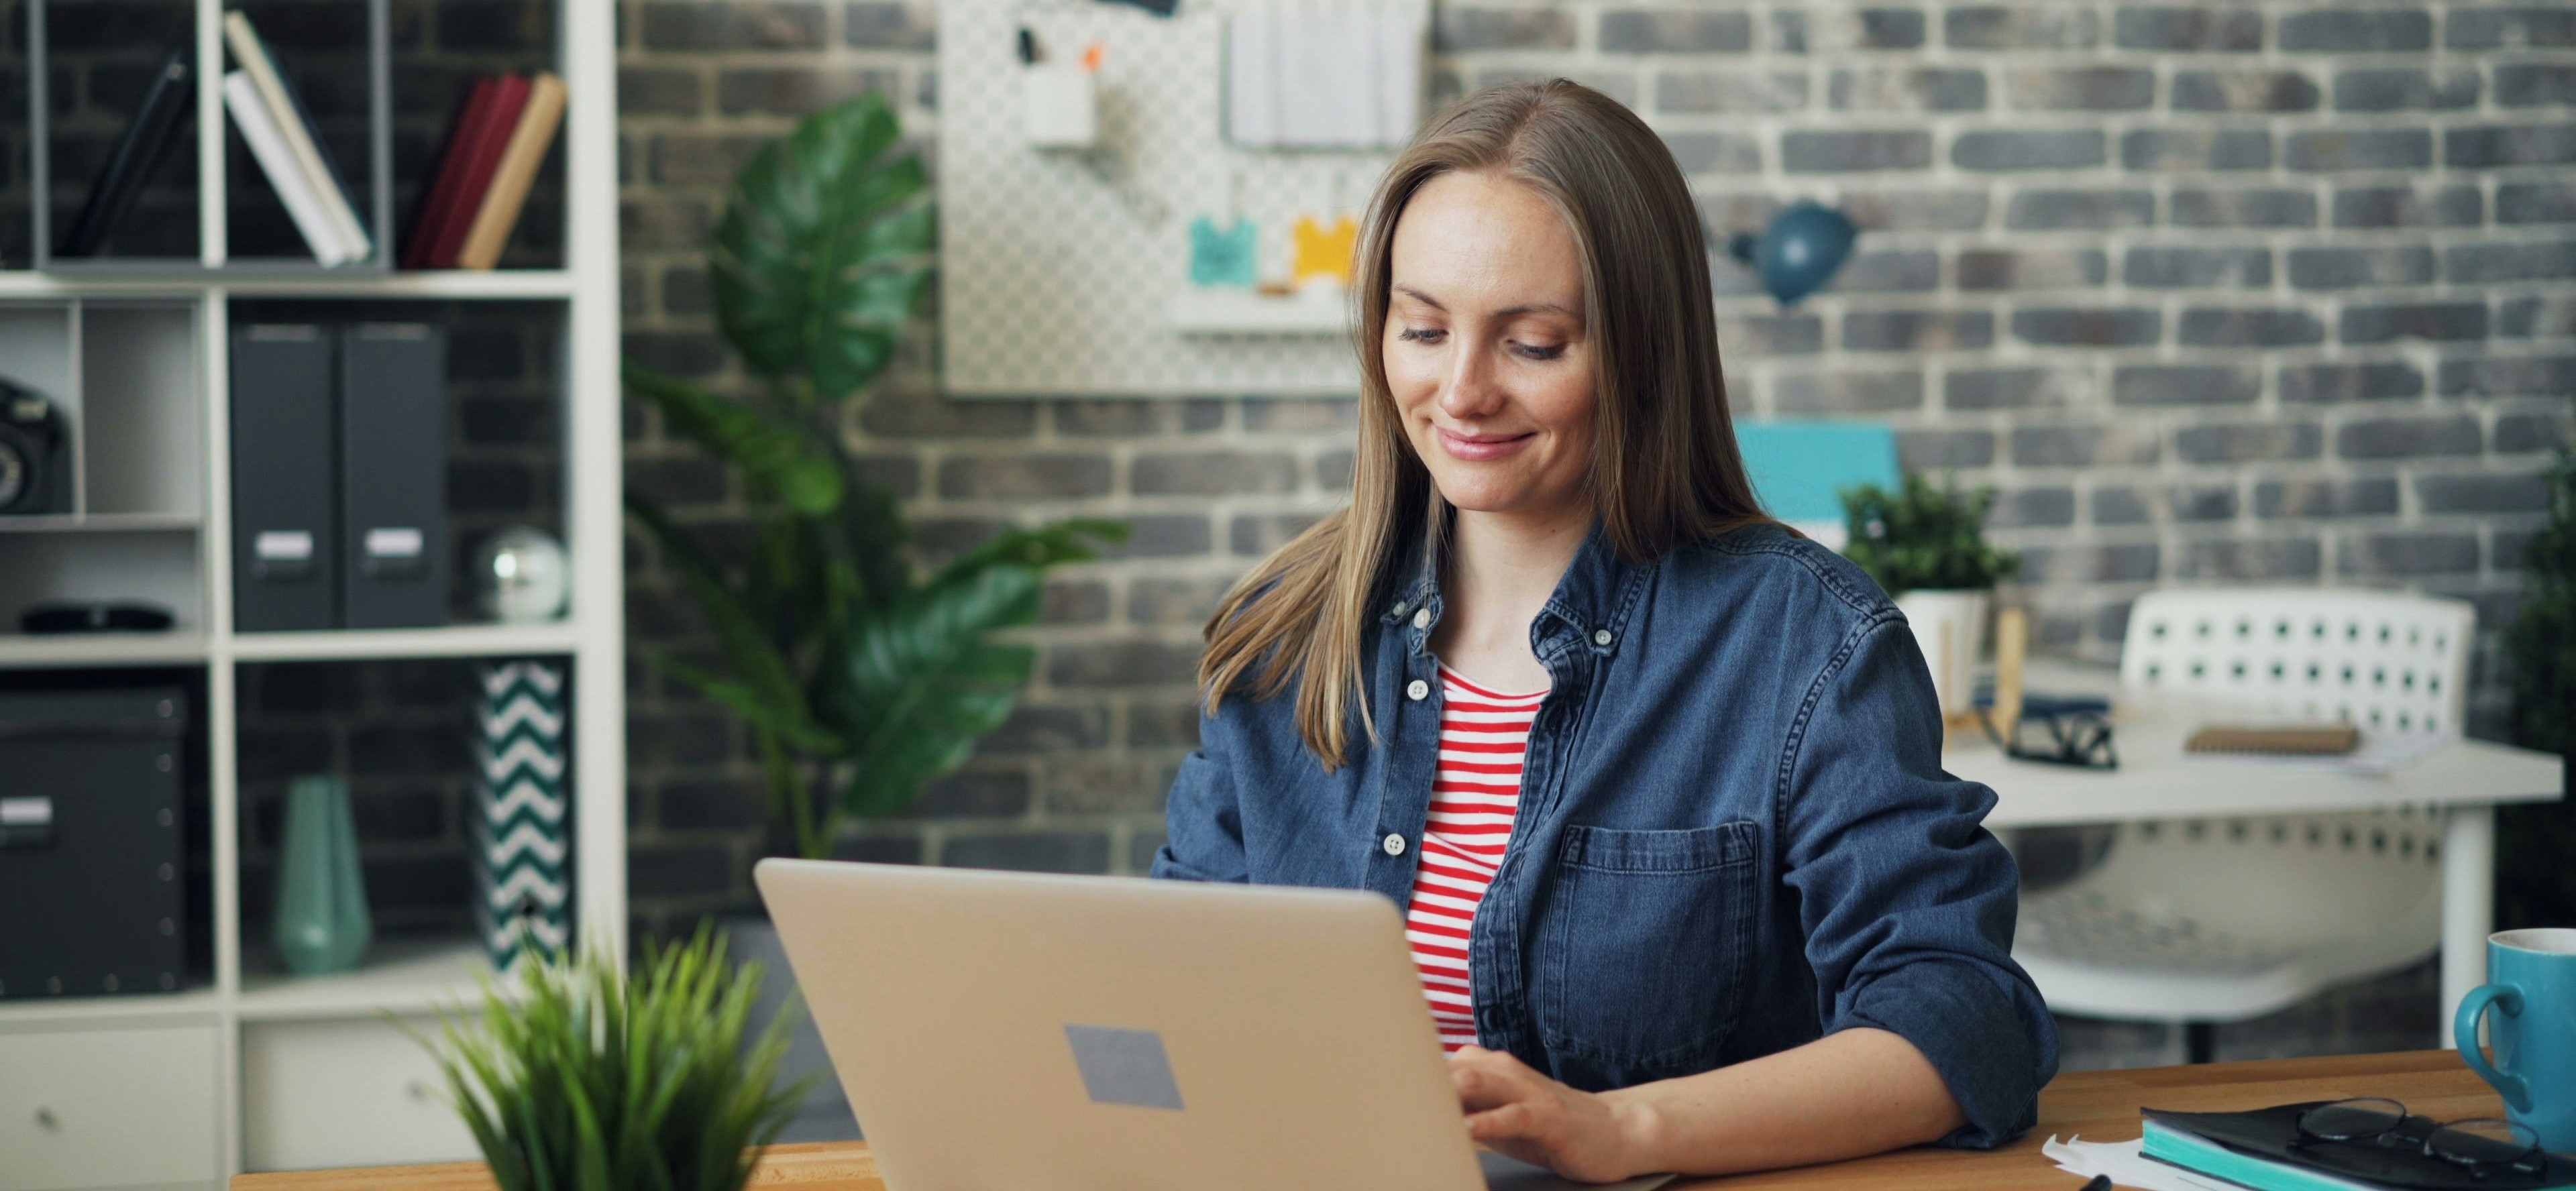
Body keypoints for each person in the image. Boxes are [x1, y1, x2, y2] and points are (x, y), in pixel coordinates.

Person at [1150, 79, 2056, 1183]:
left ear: (1640, 355)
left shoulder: (1803, 644)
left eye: (1532, 344)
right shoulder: (1283, 642)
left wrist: (1618, 1130)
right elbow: (1175, 991)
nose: (1462, 391)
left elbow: (1964, 1020)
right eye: (1424, 328)